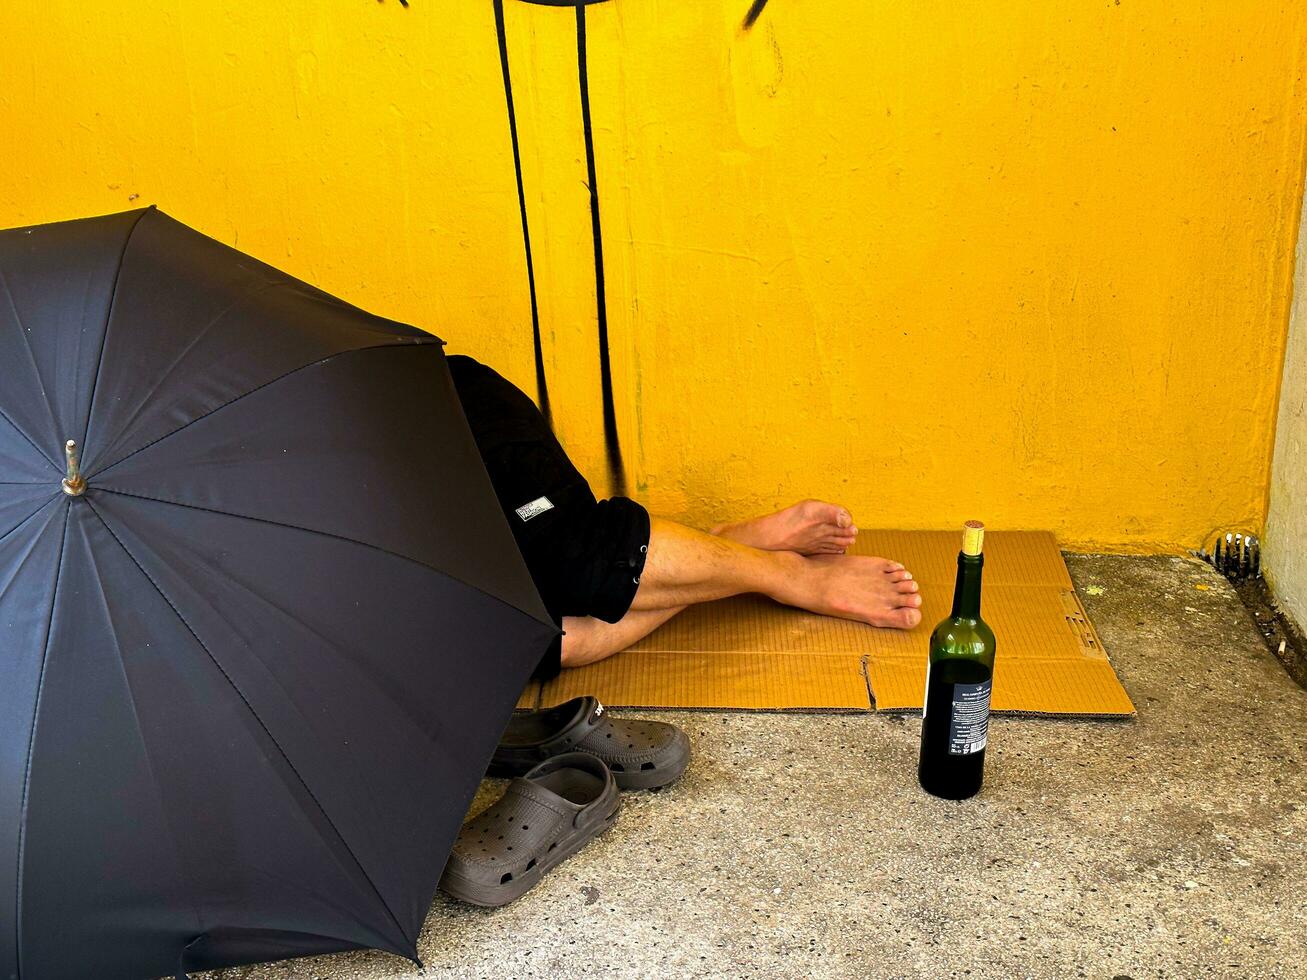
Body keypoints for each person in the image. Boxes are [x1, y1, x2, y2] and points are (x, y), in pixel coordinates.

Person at [447, 354, 923, 680]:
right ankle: (729, 546)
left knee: (576, 562)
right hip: (419, 537)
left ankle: (789, 575)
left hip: (445, 407)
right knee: (545, 640)